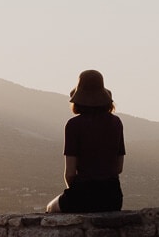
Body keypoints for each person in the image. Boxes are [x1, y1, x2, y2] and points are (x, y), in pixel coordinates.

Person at [46, 69, 125, 213]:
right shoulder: (116, 123)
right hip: (112, 197)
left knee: (50, 207)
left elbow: (70, 173)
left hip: (83, 194)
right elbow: (118, 168)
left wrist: (80, 193)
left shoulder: (73, 125)